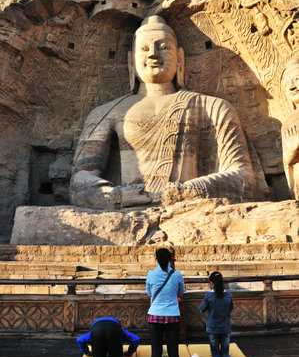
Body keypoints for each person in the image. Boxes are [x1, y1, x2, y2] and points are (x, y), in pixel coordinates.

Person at [70, 15, 264, 210]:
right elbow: (79, 183)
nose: (153, 55)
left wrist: (187, 191)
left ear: (180, 58)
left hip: (191, 212)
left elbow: (244, 179)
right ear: (131, 60)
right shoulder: (106, 113)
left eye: (163, 47)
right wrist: (118, 196)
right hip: (125, 210)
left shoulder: (213, 107)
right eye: (144, 49)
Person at [146, 248, 185, 357]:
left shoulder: (150, 274)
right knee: (173, 351)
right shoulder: (176, 275)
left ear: (156, 259)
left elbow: (149, 293)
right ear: (171, 259)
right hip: (172, 316)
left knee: (156, 351)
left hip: (155, 315)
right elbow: (180, 292)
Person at [199, 271, 236, 357]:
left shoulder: (209, 296)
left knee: (215, 352)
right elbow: (231, 308)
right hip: (225, 327)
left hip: (213, 328)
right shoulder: (228, 295)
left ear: (211, 283)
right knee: (225, 352)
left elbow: (201, 309)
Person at [280, 57, 299, 199]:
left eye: (297, 80)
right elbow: (288, 163)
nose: (292, 87)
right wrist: (293, 149)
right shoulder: (288, 123)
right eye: (287, 84)